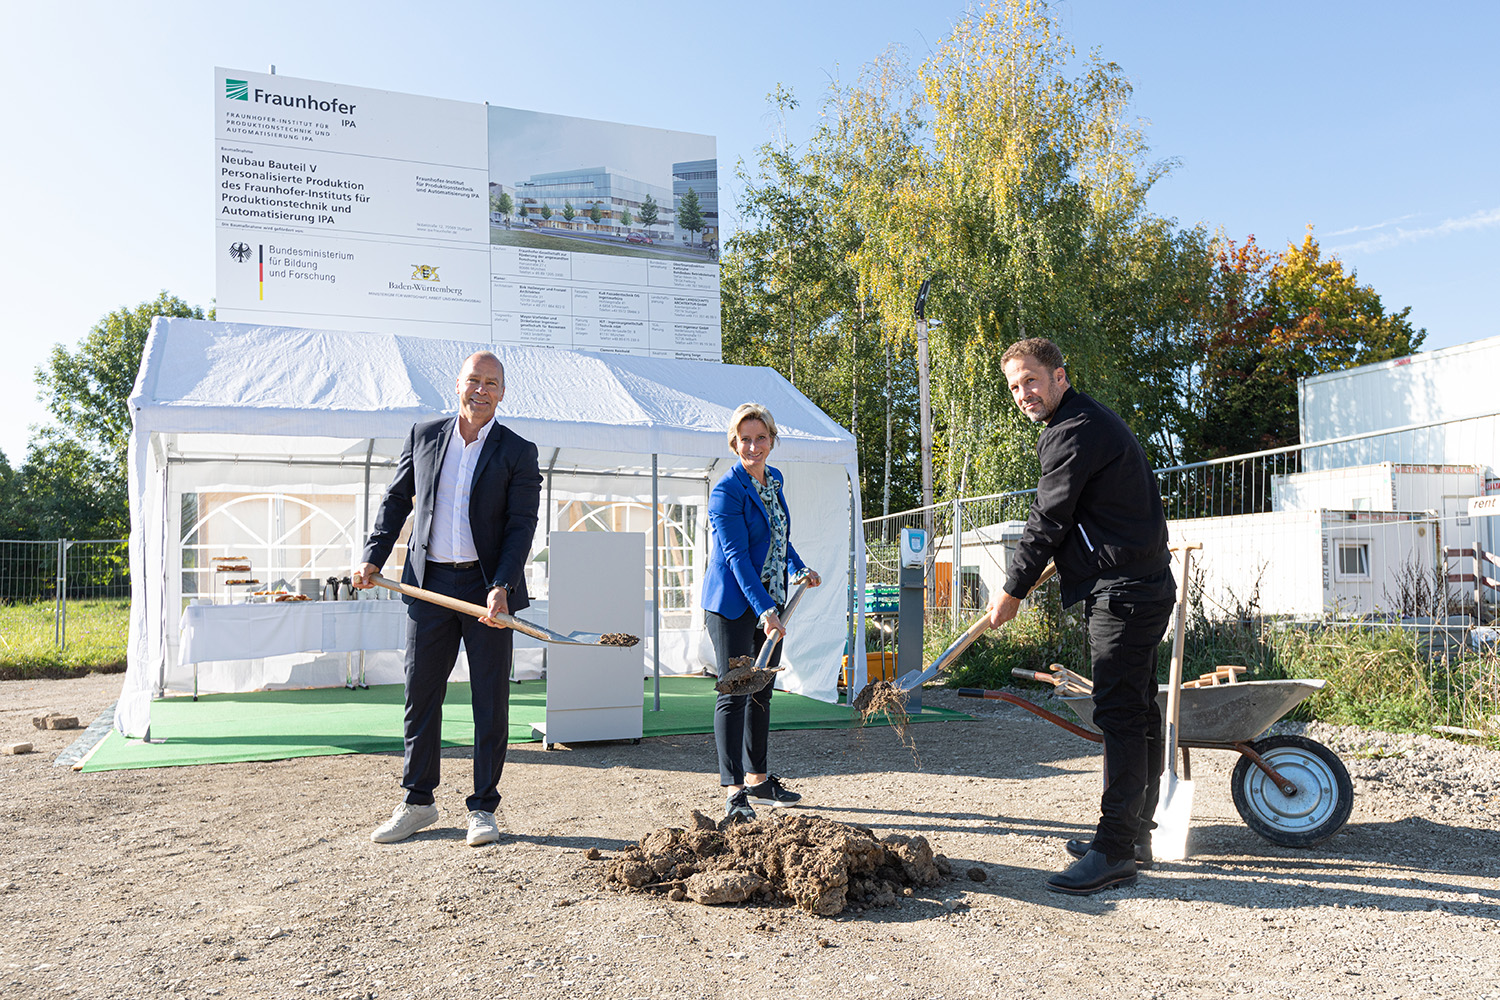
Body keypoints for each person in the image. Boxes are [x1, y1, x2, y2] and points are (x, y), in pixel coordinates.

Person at [986, 337, 1175, 896]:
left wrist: (1012, 590)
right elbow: (1074, 517)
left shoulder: (1072, 431)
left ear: (1060, 376)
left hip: (1123, 592)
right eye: (1015, 386)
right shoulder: (1084, 422)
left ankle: (1115, 850)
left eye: (1032, 380)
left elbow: (1049, 517)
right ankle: (1135, 831)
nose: (1024, 393)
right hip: (1138, 582)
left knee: (1119, 716)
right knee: (1137, 709)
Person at [354, 351, 542, 847]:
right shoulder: (424, 435)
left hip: (488, 594)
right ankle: (418, 801)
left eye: (492, 384)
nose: (481, 390)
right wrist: (374, 555)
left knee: (490, 700)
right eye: (474, 381)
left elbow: (521, 525)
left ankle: (483, 807)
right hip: (427, 585)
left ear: (503, 393)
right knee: (421, 695)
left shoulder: (518, 451)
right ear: (458, 384)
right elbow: (397, 499)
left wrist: (502, 583)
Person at [700, 403, 822, 822]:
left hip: (770, 600)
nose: (753, 446)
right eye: (745, 439)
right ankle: (735, 793)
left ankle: (758, 779)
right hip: (734, 606)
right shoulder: (726, 491)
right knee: (736, 691)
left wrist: (799, 567)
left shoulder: (774, 481)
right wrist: (766, 610)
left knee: (762, 690)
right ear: (734, 442)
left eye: (761, 438)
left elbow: (778, 536)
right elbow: (736, 557)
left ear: (772, 440)